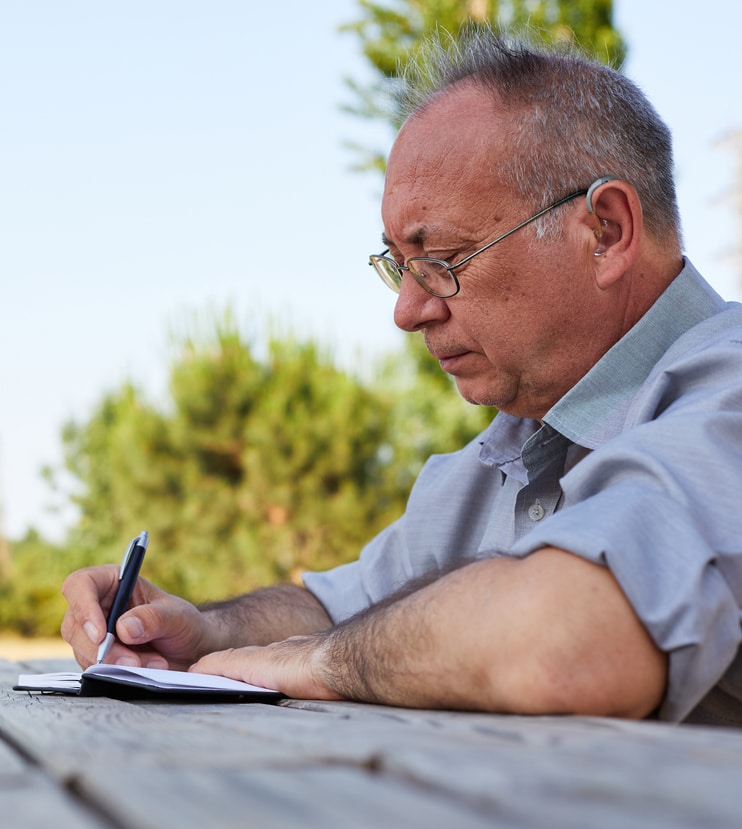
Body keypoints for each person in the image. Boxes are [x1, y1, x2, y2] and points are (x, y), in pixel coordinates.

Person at [59, 28, 742, 725]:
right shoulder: (505, 452)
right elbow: (346, 603)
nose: (408, 311)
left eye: (442, 257)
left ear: (605, 231)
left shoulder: (730, 400)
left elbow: (565, 644)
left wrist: (322, 662)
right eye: (398, 266)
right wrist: (204, 630)